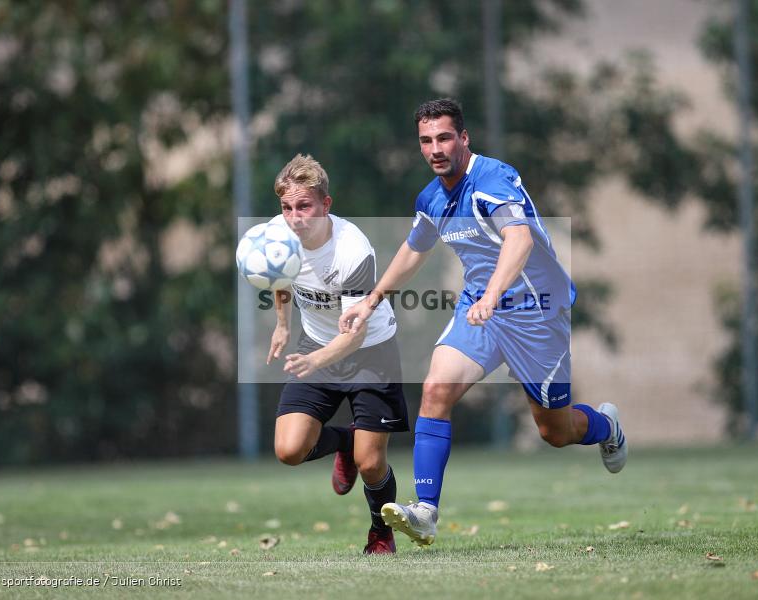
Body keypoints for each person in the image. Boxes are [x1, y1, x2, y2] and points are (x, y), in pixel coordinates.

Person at [339, 99, 627, 546]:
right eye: (426, 140)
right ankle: (426, 511)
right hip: (481, 312)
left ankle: (607, 427)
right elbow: (414, 249)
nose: (435, 148)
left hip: (536, 315)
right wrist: (371, 301)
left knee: (555, 430)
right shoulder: (432, 198)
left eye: (444, 138)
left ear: (464, 138)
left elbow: (520, 238)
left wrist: (494, 294)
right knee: (436, 388)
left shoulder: (493, 179)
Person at [267, 154, 408, 554]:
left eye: (304, 206)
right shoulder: (276, 235)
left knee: (370, 464)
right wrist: (282, 324)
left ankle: (381, 532)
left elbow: (354, 337)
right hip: (316, 344)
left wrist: (314, 361)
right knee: (289, 450)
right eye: (287, 207)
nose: (295, 217)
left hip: (369, 351)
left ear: (326, 204)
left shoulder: (352, 249)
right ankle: (344, 442)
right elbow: (277, 277)